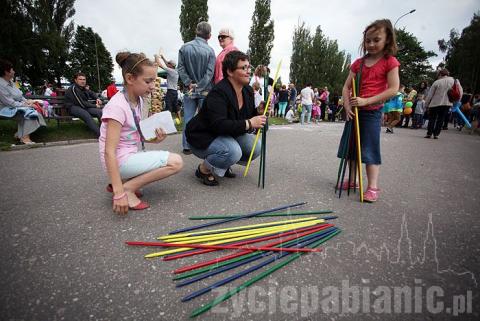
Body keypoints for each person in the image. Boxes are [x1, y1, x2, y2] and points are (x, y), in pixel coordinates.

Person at [99, 52, 183, 214]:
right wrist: (118, 193)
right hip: (118, 161)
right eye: (148, 81)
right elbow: (109, 151)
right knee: (176, 162)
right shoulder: (117, 107)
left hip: (124, 157)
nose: (152, 86)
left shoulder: (138, 100)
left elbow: (132, 135)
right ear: (130, 79)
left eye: (154, 81)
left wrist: (155, 140)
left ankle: (125, 181)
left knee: (161, 157)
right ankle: (127, 188)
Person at [338, 19, 400, 202]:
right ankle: (353, 181)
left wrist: (367, 101)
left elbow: (393, 88)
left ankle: (372, 186)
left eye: (376, 40)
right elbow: (345, 87)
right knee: (351, 149)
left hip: (372, 112)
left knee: (370, 149)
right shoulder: (358, 63)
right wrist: (347, 106)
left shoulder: (390, 62)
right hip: (354, 112)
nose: (371, 44)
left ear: (387, 40)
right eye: (368, 40)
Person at [185, 50, 267, 186]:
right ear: (230, 71)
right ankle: (204, 170)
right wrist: (249, 123)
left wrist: (258, 112)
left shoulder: (247, 91)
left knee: (256, 147)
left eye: (249, 67)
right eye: (243, 68)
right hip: (203, 135)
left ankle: (222, 164)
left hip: (225, 134)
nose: (248, 71)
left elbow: (246, 117)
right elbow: (219, 125)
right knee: (233, 151)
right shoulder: (218, 93)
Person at [177, 21, 216, 155]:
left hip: (189, 89)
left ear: (196, 31)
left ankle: (187, 145)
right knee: (204, 118)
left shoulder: (184, 48)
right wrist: (200, 86)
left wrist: (189, 83)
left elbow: (180, 68)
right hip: (205, 89)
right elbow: (210, 73)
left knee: (188, 117)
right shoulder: (210, 51)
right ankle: (202, 143)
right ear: (209, 36)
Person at [0, 58, 46, 144]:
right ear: (7, 72)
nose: (14, 71)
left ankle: (19, 135)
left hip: (14, 107)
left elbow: (20, 96)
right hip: (4, 108)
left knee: (31, 110)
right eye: (12, 69)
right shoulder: (1, 85)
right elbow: (9, 103)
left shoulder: (11, 82)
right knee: (28, 113)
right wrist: (27, 105)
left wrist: (29, 102)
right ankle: (25, 137)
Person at [424, 68, 463, 139]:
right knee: (441, 119)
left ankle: (429, 133)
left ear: (440, 74)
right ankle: (436, 134)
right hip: (447, 104)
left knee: (432, 118)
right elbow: (460, 92)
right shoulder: (454, 81)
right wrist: (456, 103)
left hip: (435, 103)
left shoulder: (437, 82)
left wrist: (426, 104)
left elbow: (430, 95)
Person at [155, 52, 181, 120]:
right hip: (174, 92)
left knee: (168, 106)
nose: (167, 64)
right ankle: (180, 119)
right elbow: (167, 64)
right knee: (176, 106)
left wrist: (156, 57)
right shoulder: (174, 70)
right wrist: (162, 57)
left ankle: (167, 121)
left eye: (169, 63)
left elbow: (160, 65)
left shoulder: (171, 71)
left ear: (171, 65)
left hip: (171, 91)